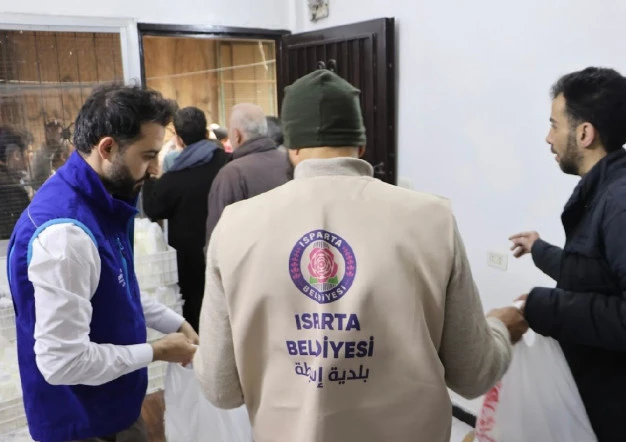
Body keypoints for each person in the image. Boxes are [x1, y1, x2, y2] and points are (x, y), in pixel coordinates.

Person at [194, 70, 527, 442]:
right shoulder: (432, 219)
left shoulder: (235, 227)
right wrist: (500, 327)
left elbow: (221, 388)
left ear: (292, 147)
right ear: (361, 144)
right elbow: (474, 374)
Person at [6, 84, 199, 442]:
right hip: (83, 423)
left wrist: (175, 322)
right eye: (148, 156)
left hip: (113, 405)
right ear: (107, 148)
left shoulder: (102, 203)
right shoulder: (66, 235)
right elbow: (62, 362)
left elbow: (116, 291)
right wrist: (156, 351)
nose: (156, 169)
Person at [508, 67, 626, 442]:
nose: (548, 137)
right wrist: (539, 249)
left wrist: (545, 307)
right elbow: (595, 274)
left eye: (554, 125)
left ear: (584, 134)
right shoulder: (607, 192)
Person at [142, 106, 229, 332]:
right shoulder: (229, 164)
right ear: (206, 133)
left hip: (190, 263)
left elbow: (153, 209)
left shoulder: (173, 179)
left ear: (179, 140)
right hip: (229, 251)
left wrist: (151, 178)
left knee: (199, 318)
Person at [205, 103, 288, 244]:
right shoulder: (289, 162)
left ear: (237, 135)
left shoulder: (232, 174)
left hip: (247, 255)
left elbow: (217, 237)